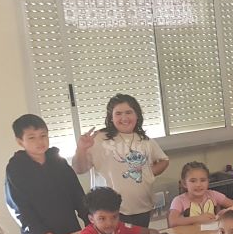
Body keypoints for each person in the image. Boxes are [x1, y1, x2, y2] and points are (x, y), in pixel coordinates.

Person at [5, 114, 88, 234]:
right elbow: (19, 208)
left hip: (69, 231)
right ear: (20, 141)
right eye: (32, 137)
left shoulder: (58, 162)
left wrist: (89, 220)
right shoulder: (16, 168)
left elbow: (77, 194)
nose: (40, 141)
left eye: (43, 135)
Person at [72, 94, 169, 227]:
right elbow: (79, 169)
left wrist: (149, 173)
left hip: (142, 208)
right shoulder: (99, 139)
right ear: (111, 118)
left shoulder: (145, 140)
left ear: (137, 115)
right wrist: (81, 149)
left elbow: (164, 160)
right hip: (109, 212)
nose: (124, 118)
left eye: (129, 112)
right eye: (118, 113)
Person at [76, 187, 153, 234]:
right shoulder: (89, 233)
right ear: (91, 219)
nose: (109, 223)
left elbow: (151, 232)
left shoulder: (121, 227)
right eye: (102, 218)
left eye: (114, 217)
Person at [168, 161, 233, 227]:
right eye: (193, 181)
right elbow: (173, 222)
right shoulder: (179, 200)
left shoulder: (213, 195)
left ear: (208, 182)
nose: (198, 185)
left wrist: (224, 214)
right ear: (184, 183)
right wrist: (198, 219)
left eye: (203, 180)